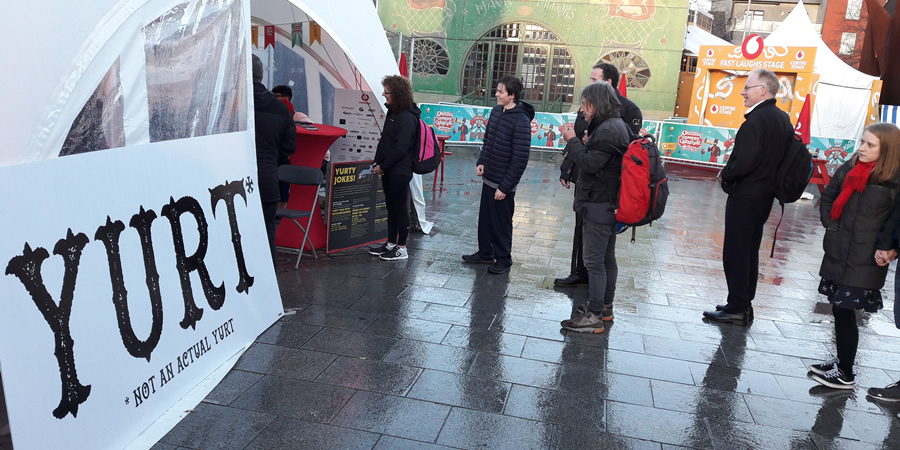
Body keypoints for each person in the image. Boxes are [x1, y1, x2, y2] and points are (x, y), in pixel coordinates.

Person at [807, 122, 900, 389]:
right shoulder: (850, 167)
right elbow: (829, 196)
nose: (862, 148)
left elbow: (896, 220)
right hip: (838, 249)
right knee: (838, 309)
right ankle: (841, 361)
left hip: (866, 256)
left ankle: (846, 373)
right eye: (862, 142)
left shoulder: (894, 179)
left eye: (870, 145)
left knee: (845, 309)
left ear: (888, 150)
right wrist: (830, 222)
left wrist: (892, 247)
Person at [702, 68, 793, 325]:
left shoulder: (757, 119)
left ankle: (737, 307)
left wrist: (726, 174)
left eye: (748, 87)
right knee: (749, 250)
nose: (743, 92)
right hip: (764, 195)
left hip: (747, 194)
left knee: (737, 251)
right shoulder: (781, 118)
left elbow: (745, 161)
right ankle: (742, 302)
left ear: (763, 90)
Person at [555, 63, 643, 287]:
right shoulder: (592, 109)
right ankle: (580, 274)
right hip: (587, 182)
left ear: (607, 83)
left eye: (594, 80)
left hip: (602, 189)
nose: (589, 84)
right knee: (582, 231)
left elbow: (609, 153)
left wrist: (579, 142)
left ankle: (597, 301)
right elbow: (582, 140)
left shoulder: (625, 113)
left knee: (600, 251)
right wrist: (568, 167)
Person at [557, 82, 631, 333]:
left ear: (597, 104)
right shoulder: (613, 125)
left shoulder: (610, 128)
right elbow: (600, 159)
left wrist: (573, 140)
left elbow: (589, 164)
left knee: (594, 261)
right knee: (606, 257)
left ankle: (595, 315)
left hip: (599, 202)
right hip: (608, 201)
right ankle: (604, 307)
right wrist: (587, 142)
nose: (582, 110)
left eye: (586, 104)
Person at [461, 75, 534, 274]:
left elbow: (520, 158)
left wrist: (505, 186)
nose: (496, 94)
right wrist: (482, 161)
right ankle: (485, 253)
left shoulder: (521, 120)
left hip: (503, 184)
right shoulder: (496, 111)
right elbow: (489, 141)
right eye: (497, 90)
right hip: (489, 177)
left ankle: (504, 259)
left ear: (512, 95)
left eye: (501, 91)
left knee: (501, 223)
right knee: (485, 219)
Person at [368, 75, 419, 261]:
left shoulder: (407, 117)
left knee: (400, 208)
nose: (383, 94)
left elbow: (401, 148)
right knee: (391, 207)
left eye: (387, 92)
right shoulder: (393, 112)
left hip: (400, 170)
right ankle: (390, 243)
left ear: (397, 93)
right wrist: (377, 162)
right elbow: (385, 141)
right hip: (388, 168)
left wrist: (383, 165)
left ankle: (402, 248)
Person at [251, 55, 296, 262]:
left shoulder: (230, 101)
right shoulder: (281, 108)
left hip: (230, 181)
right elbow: (289, 148)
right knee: (268, 231)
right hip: (267, 180)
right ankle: (268, 284)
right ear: (262, 75)